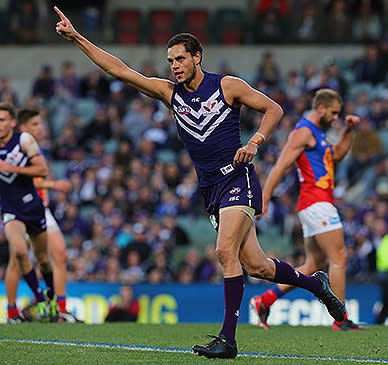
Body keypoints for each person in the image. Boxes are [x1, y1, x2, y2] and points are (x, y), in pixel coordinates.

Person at [54, 8, 345, 359]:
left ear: (197, 57)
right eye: (170, 60)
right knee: (257, 266)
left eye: (180, 58)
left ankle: (228, 340)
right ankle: (317, 284)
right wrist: (77, 37)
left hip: (238, 178)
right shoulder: (170, 94)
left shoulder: (226, 86)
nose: (174, 65)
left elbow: (274, 109)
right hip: (211, 189)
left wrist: (254, 142)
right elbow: (119, 69)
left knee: (224, 252)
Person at [252, 89, 363, 331]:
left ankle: (265, 300)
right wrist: (266, 195)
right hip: (317, 202)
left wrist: (349, 130)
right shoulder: (303, 132)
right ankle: (341, 319)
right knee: (339, 258)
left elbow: (337, 155)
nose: (336, 118)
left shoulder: (317, 136)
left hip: (316, 203)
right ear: (321, 109)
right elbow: (281, 164)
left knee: (313, 264)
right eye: (334, 114)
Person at [4, 108, 80, 323]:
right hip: (19, 209)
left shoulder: (36, 147)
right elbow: (27, 180)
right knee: (16, 259)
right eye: (35, 125)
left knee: (59, 255)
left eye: (40, 124)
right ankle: (12, 311)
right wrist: (53, 184)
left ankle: (60, 308)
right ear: (23, 128)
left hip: (40, 208)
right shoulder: (19, 147)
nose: (41, 128)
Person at [0, 102, 54, 323]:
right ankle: (39, 298)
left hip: (32, 205)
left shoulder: (23, 140)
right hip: (10, 209)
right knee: (20, 252)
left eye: (2, 120)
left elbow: (42, 170)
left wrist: (14, 169)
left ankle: (50, 292)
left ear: (12, 122)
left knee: (43, 258)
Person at [376, 232, 388, 324]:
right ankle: (379, 321)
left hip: (382, 273)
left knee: (386, 301)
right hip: (385, 273)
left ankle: (379, 321)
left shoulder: (384, 239)